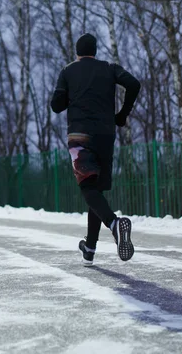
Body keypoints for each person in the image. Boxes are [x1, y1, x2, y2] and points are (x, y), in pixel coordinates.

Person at [51, 33, 141, 266]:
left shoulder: (68, 71)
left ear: (77, 52)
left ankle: (113, 224)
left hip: (80, 135)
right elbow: (133, 84)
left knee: (87, 187)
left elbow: (56, 105)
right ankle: (89, 249)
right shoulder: (109, 68)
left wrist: (70, 93)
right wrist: (122, 114)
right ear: (95, 51)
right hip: (105, 134)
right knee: (97, 191)